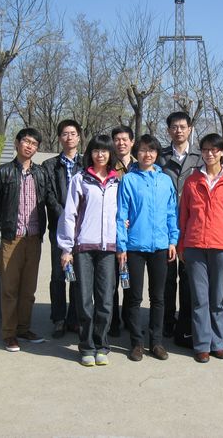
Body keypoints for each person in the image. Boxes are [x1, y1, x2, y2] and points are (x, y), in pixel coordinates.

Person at [178, 133, 223, 363]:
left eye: (214, 150)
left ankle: (218, 342)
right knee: (200, 299)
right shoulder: (192, 180)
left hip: (222, 246)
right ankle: (202, 344)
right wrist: (181, 244)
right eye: (205, 150)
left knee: (218, 299)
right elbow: (184, 215)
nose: (209, 154)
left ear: (222, 152)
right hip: (195, 245)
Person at [57, 135, 119, 367]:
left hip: (108, 249)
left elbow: (122, 213)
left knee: (105, 300)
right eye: (96, 150)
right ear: (90, 153)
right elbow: (69, 215)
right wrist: (66, 248)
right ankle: (86, 347)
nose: (100, 155)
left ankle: (101, 346)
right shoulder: (80, 179)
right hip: (83, 247)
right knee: (84, 300)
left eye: (104, 151)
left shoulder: (117, 181)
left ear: (110, 154)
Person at [116, 134, 179, 362]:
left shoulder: (165, 180)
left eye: (151, 150)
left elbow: (172, 212)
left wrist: (173, 240)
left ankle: (157, 342)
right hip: (134, 246)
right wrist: (121, 245)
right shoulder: (129, 180)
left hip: (160, 246)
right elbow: (121, 213)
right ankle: (137, 342)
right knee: (134, 297)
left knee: (158, 297)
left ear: (157, 153)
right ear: (137, 153)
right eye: (142, 150)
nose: (147, 154)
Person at [0, 128, 51, 352]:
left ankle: (24, 328)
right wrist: (8, 226)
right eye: (26, 141)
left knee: (28, 289)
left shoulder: (40, 173)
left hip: (34, 238)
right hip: (12, 238)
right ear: (17, 143)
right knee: (10, 289)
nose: (29, 146)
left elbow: (46, 201)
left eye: (34, 143)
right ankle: (9, 334)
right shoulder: (3, 172)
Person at [158, 111, 202, 347]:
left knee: (188, 277)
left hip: (191, 224)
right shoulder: (160, 157)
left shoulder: (200, 158)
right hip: (164, 224)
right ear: (168, 131)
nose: (178, 131)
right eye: (174, 127)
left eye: (183, 127)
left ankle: (185, 323)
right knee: (166, 277)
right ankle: (166, 320)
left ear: (190, 129)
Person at [42, 119, 83, 339]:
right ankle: (58, 319)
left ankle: (74, 319)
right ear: (59, 138)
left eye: (73, 133)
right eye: (65, 134)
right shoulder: (50, 165)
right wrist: (66, 217)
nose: (69, 137)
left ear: (79, 137)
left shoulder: (86, 163)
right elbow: (48, 194)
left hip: (81, 229)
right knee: (58, 274)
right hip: (58, 227)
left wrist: (77, 218)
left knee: (77, 275)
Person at [109, 125, 136, 337]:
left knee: (130, 279)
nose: (121, 143)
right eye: (117, 139)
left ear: (132, 142)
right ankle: (112, 321)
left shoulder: (141, 165)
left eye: (125, 139)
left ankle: (129, 317)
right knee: (111, 280)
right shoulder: (107, 165)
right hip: (111, 230)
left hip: (134, 233)